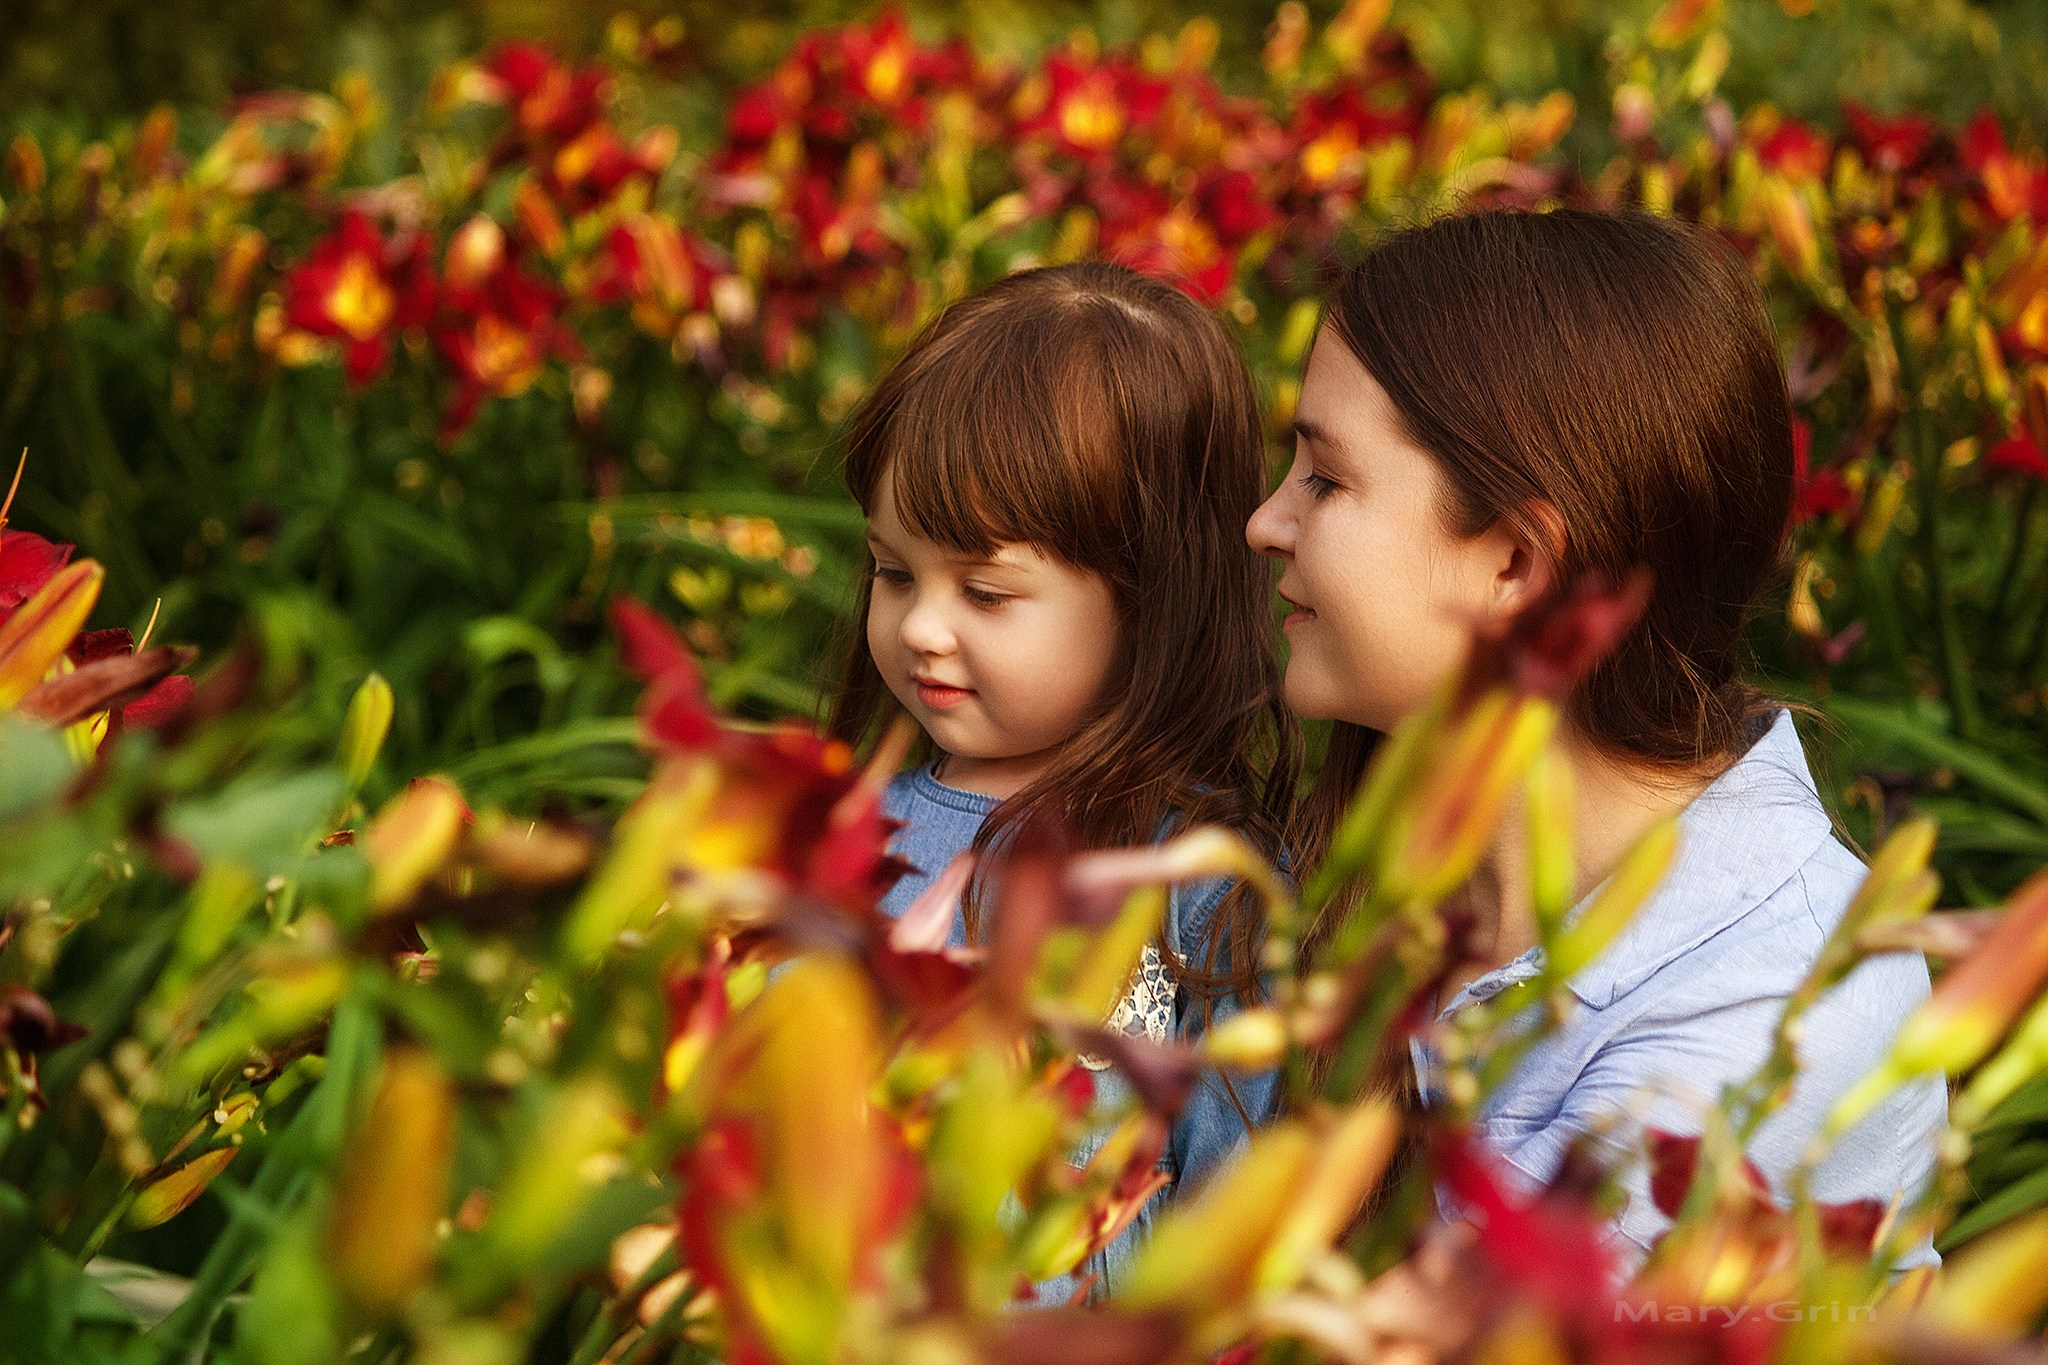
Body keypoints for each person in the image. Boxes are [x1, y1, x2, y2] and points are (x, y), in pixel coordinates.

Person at [1245, 207, 1945, 1274]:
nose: (1265, 522)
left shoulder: (1772, 1023)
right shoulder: (1397, 862)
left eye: (1324, 480)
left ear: (1515, 566)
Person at [825, 260, 1299, 1300]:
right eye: (893, 572)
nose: (920, 626)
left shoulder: (1202, 888)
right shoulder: (834, 837)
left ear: (1150, 598)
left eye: (986, 593)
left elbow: (1234, 1226)